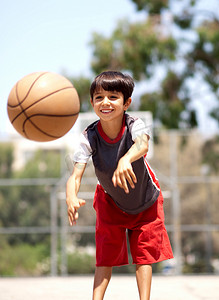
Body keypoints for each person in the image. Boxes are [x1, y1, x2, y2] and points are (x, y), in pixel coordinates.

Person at [66, 71, 173, 300]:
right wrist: (71, 197)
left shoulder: (135, 124)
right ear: (92, 102)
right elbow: (75, 175)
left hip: (144, 200)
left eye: (113, 96)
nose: (105, 102)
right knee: (104, 257)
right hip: (111, 202)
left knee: (143, 256)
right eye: (99, 97)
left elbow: (142, 145)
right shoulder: (89, 136)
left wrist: (126, 159)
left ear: (127, 103)